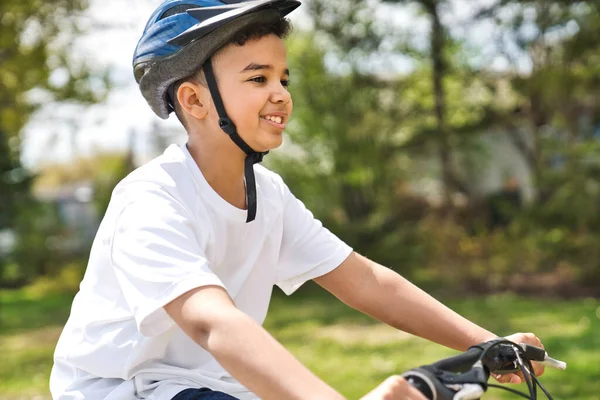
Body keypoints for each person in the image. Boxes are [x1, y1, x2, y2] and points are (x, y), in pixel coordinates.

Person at [50, 1, 545, 399]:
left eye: (284, 78)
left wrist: (485, 341)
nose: (282, 94)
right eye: (258, 78)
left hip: (209, 388)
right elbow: (213, 323)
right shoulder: (152, 199)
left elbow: (364, 280)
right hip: (121, 389)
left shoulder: (269, 195)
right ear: (195, 102)